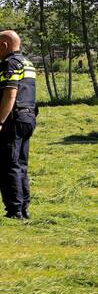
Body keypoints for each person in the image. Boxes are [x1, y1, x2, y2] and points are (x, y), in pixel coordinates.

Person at [0, 30, 36, 220]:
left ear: (4, 46)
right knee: (21, 164)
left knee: (8, 165)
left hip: (13, 119)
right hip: (28, 117)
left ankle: (14, 210)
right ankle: (24, 208)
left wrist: (0, 121)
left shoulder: (9, 63)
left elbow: (10, 93)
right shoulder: (28, 63)